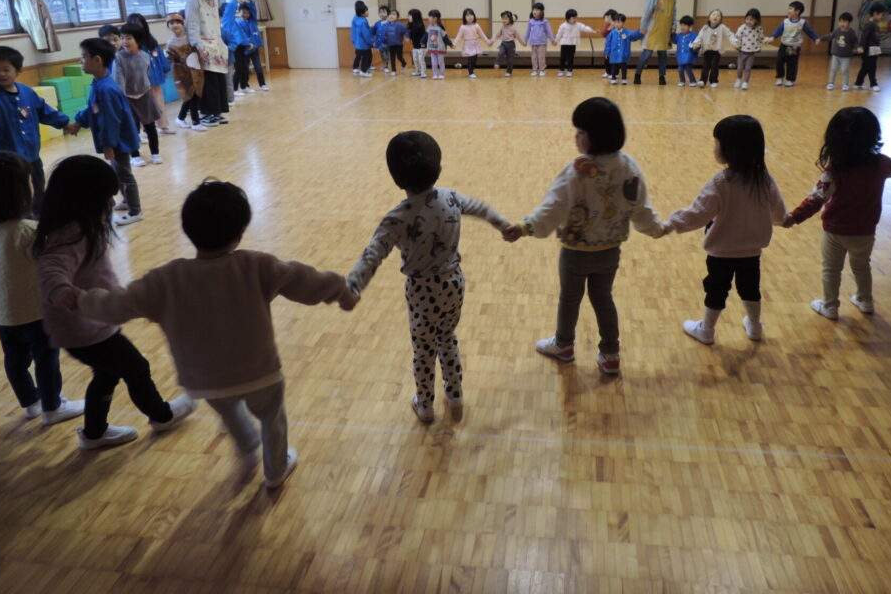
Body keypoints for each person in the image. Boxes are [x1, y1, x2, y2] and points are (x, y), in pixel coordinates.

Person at [79, 180, 356, 488]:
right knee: (272, 418)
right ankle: (276, 470)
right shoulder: (256, 265)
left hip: (204, 381)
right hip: (259, 373)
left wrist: (80, 300)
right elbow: (306, 280)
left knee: (229, 409)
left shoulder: (166, 279)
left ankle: (247, 445)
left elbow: (118, 304)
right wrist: (341, 291)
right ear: (240, 232)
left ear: (188, 229)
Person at [347, 131, 511, 422]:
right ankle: (455, 394)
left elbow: (373, 253)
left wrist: (353, 285)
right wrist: (503, 225)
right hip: (454, 283)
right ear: (439, 168)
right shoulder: (451, 197)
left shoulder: (397, 218)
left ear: (396, 178)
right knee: (448, 338)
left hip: (421, 292)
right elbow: (481, 208)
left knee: (424, 351)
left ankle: (424, 405)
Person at [34, 155, 195, 450]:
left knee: (107, 374)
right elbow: (52, 267)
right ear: (83, 200)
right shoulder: (72, 233)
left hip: (93, 322)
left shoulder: (82, 228)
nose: (111, 203)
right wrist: (61, 290)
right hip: (83, 328)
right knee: (136, 368)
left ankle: (94, 433)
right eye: (106, 198)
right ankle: (162, 416)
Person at [506, 97, 665, 375]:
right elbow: (639, 205)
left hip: (576, 253)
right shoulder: (628, 165)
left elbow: (553, 207)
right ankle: (611, 353)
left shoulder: (578, 169)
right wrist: (655, 228)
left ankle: (564, 345)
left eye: (581, 132)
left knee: (569, 299)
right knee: (603, 298)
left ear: (596, 136)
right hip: (610, 251)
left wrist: (524, 227)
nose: (576, 137)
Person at [0, 151, 84, 425]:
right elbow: (51, 268)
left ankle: (31, 403)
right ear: (19, 193)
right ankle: (53, 406)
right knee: (46, 359)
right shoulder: (29, 231)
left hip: (2, 313)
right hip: (36, 311)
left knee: (15, 361)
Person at [783, 107, 891, 318]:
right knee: (862, 265)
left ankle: (830, 306)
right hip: (865, 231)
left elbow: (816, 199)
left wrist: (794, 217)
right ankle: (865, 300)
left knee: (831, 269)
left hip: (835, 231)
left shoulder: (835, 170)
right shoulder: (882, 163)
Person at [660, 115, 786, 345]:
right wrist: (784, 220)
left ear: (730, 149)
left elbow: (698, 213)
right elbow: (778, 211)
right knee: (750, 288)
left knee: (716, 290)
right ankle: (755, 326)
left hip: (721, 253)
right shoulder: (764, 180)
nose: (714, 147)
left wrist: (671, 224)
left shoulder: (720, 182)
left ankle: (707, 329)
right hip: (752, 252)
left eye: (716, 143)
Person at [0, 46, 79, 218]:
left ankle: (40, 220)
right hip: (7, 162)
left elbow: (44, 110)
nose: (1, 74)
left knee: (38, 189)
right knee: (14, 195)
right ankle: (20, 222)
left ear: (18, 70)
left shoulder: (27, 92)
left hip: (32, 156)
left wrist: (65, 123)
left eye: (6, 69)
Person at [73, 38, 143, 227]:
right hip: (115, 139)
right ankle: (127, 200)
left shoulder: (106, 89)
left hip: (119, 139)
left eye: (83, 57)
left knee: (124, 173)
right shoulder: (99, 84)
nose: (81, 61)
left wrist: (108, 144)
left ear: (97, 60)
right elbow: (93, 108)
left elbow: (110, 120)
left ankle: (135, 210)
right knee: (118, 171)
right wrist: (79, 121)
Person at [184, 0, 230, 126]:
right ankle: (206, 113)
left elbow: (216, 23)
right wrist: (198, 45)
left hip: (216, 43)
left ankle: (217, 111)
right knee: (207, 81)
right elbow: (192, 25)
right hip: (203, 44)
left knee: (218, 80)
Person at [116, 23, 163, 167]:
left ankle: (155, 153)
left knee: (150, 126)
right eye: (122, 38)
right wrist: (121, 99)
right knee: (132, 128)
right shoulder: (119, 57)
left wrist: (147, 91)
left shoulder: (145, 56)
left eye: (128, 38)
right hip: (127, 97)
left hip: (145, 95)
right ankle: (134, 155)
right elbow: (118, 79)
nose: (124, 41)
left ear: (138, 40)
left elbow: (146, 75)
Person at [126, 13, 174, 133]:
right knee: (143, 106)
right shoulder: (130, 44)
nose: (137, 27)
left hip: (155, 79)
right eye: (134, 24)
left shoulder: (151, 41)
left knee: (158, 103)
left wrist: (165, 69)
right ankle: (144, 130)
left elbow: (160, 56)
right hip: (140, 82)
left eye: (139, 24)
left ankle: (163, 126)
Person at [634, 0, 678, 86]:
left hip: (665, 30)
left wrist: (674, 25)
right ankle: (637, 74)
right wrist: (643, 27)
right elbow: (647, 11)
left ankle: (662, 76)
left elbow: (673, 11)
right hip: (653, 29)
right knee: (647, 53)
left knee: (663, 54)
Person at [166, 12, 207, 132]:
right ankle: (195, 122)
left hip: (196, 69)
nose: (175, 25)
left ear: (182, 23)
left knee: (194, 95)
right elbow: (170, 60)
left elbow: (200, 48)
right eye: (171, 23)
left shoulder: (191, 37)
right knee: (191, 95)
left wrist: (204, 53)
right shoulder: (170, 43)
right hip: (182, 73)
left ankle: (180, 118)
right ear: (168, 26)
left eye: (177, 22)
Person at [771, 1, 818, 88]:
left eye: (790, 9)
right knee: (779, 61)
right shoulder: (785, 21)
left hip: (794, 46)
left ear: (797, 11)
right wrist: (773, 37)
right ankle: (780, 77)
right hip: (784, 45)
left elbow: (809, 31)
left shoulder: (802, 23)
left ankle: (790, 79)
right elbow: (778, 30)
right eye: (788, 8)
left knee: (792, 63)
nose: (788, 10)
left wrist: (815, 38)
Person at [228, 0, 267, 93]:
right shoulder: (237, 23)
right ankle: (244, 85)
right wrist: (248, 42)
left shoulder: (252, 21)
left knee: (258, 66)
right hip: (245, 49)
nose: (246, 15)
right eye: (244, 12)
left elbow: (253, 9)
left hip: (254, 48)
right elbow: (240, 36)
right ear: (239, 12)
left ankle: (262, 84)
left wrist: (247, 2)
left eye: (248, 13)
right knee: (244, 68)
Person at [690, 9, 736, 88]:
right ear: (709, 17)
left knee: (714, 66)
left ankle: (714, 81)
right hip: (707, 50)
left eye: (718, 15)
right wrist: (695, 43)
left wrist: (734, 41)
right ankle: (702, 80)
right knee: (705, 66)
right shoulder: (705, 28)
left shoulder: (722, 27)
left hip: (716, 51)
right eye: (713, 14)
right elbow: (699, 37)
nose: (716, 16)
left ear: (720, 19)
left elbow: (730, 34)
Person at [820, 12, 859, 91]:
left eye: (844, 22)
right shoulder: (837, 31)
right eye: (840, 21)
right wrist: (821, 39)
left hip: (846, 56)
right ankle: (831, 83)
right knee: (833, 69)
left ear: (849, 23)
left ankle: (845, 84)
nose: (842, 24)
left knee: (845, 70)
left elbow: (855, 42)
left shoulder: (851, 32)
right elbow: (830, 36)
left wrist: (858, 47)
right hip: (836, 55)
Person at [732, 8, 769, 90]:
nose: (748, 21)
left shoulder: (759, 28)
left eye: (751, 20)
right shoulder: (742, 28)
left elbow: (761, 37)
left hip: (751, 52)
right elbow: (737, 37)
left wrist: (766, 40)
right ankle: (739, 79)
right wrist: (736, 43)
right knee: (740, 67)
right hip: (742, 51)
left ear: (756, 20)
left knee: (748, 68)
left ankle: (746, 82)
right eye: (747, 19)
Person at [555, 9, 596, 77]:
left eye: (575, 17)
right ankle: (561, 70)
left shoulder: (578, 25)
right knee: (562, 58)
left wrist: (592, 30)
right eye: (573, 18)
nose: (574, 19)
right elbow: (559, 34)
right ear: (568, 18)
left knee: (570, 58)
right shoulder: (563, 26)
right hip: (564, 44)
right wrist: (556, 41)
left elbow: (585, 28)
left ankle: (569, 70)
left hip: (572, 44)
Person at [604, 13, 643, 85]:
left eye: (619, 22)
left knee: (624, 67)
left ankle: (624, 79)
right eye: (615, 22)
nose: (617, 24)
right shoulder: (612, 33)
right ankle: (613, 78)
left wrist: (641, 30)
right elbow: (608, 43)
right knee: (614, 66)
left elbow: (634, 36)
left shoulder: (627, 32)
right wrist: (607, 52)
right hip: (614, 53)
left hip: (623, 53)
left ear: (623, 23)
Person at [452, 8, 491, 79]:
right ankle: (471, 72)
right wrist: (454, 44)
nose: (470, 17)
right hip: (468, 44)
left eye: (471, 15)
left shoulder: (476, 25)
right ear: (464, 17)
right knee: (470, 59)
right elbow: (458, 36)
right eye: (467, 15)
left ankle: (472, 70)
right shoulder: (463, 27)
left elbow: (482, 35)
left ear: (474, 16)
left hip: (475, 44)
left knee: (474, 59)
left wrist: (488, 41)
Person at [853, 3, 883, 92]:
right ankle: (873, 84)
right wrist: (861, 47)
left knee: (866, 67)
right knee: (871, 67)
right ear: (875, 14)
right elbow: (864, 37)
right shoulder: (869, 25)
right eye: (881, 14)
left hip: (874, 50)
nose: (882, 17)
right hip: (868, 50)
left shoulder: (875, 25)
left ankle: (858, 83)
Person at [524, 2, 556, 77]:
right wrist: (525, 40)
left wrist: (552, 39)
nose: (534, 11)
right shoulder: (531, 21)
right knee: (534, 57)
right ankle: (534, 70)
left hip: (542, 43)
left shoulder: (544, 21)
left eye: (537, 10)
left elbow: (549, 31)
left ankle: (542, 70)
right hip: (533, 43)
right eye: (534, 10)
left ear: (541, 12)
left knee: (541, 57)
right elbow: (528, 31)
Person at [491, 11, 525, 78]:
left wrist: (523, 43)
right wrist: (492, 40)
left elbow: (518, 37)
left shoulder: (513, 28)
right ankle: (497, 63)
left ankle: (509, 72)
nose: (504, 20)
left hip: (511, 45)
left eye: (506, 18)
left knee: (510, 60)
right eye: (503, 18)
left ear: (510, 19)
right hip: (504, 43)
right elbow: (498, 34)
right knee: (500, 52)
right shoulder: (502, 27)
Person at [426, 9, 452, 80]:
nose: (428, 18)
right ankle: (435, 74)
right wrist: (422, 42)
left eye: (430, 16)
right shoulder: (429, 27)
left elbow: (445, 37)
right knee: (434, 62)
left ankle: (441, 74)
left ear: (435, 18)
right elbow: (426, 35)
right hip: (432, 48)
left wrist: (450, 44)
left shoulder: (440, 28)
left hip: (440, 48)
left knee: (441, 62)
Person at [352, 0, 374, 77]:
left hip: (359, 44)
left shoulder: (359, 20)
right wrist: (372, 41)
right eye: (366, 11)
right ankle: (363, 71)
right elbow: (366, 34)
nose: (368, 12)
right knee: (368, 57)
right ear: (362, 13)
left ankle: (363, 69)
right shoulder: (362, 22)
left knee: (364, 57)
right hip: (364, 44)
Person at [674, 15, 698, 87]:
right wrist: (672, 33)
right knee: (680, 69)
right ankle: (682, 81)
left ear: (690, 26)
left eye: (684, 25)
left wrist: (695, 47)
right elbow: (674, 40)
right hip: (681, 56)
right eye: (681, 25)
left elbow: (698, 44)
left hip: (689, 56)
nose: (682, 27)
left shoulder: (694, 35)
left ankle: (693, 81)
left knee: (688, 69)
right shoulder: (679, 35)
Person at [384, 9, 409, 74]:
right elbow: (385, 33)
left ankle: (404, 63)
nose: (391, 16)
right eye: (390, 14)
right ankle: (393, 70)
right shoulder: (387, 25)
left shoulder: (400, 25)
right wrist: (385, 37)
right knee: (392, 58)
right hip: (390, 44)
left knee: (399, 57)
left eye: (394, 14)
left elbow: (406, 31)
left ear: (397, 17)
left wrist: (407, 37)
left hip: (398, 44)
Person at [407, 9, 428, 77]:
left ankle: (423, 72)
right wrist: (409, 38)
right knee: (415, 59)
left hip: (421, 47)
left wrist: (423, 42)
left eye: (410, 16)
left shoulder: (420, 25)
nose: (408, 17)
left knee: (421, 59)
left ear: (415, 16)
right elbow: (410, 34)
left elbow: (424, 35)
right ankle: (417, 71)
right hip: (415, 46)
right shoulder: (410, 25)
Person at [600, 9, 618, 79]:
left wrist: (614, 26)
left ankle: (615, 73)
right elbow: (603, 34)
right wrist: (609, 28)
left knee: (614, 60)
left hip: (615, 46)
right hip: (608, 46)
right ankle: (608, 72)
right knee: (607, 59)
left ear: (610, 17)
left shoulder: (617, 24)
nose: (605, 19)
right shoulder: (607, 25)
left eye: (606, 17)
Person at [372, 5, 390, 73]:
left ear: (388, 13)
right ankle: (384, 65)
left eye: (384, 12)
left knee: (386, 55)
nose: (381, 14)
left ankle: (386, 66)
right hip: (379, 43)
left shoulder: (389, 23)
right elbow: (373, 32)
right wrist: (374, 41)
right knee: (382, 54)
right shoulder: (377, 23)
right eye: (380, 12)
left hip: (387, 43)